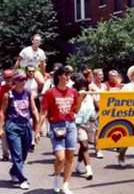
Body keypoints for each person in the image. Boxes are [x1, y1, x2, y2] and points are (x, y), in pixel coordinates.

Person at [35, 66, 81, 194]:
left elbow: (76, 109)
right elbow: (43, 112)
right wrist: (38, 130)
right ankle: (56, 178)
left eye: (69, 75)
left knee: (70, 157)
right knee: (60, 158)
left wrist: (79, 102)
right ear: (59, 76)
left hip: (71, 125)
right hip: (57, 126)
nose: (68, 78)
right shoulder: (50, 93)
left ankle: (65, 184)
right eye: (66, 75)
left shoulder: (73, 92)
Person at [0, 71, 39, 190]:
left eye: (24, 79)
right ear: (15, 81)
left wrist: (37, 128)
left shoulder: (28, 93)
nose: (23, 81)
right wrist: (1, 128)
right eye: (20, 79)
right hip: (12, 126)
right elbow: (2, 112)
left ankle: (14, 171)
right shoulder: (9, 95)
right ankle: (22, 179)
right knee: (17, 154)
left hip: (26, 125)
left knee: (24, 152)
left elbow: (33, 109)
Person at [73, 74, 95, 180]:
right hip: (79, 124)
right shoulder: (74, 96)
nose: (83, 88)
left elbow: (99, 107)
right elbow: (75, 110)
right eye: (80, 86)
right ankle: (89, 170)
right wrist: (80, 98)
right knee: (85, 146)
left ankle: (78, 165)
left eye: (84, 86)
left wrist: (95, 116)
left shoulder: (91, 96)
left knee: (83, 146)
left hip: (89, 124)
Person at [89, 68, 107, 159]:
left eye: (102, 74)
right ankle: (98, 150)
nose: (102, 76)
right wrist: (100, 109)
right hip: (96, 110)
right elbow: (94, 100)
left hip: (104, 109)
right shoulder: (91, 86)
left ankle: (99, 146)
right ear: (95, 76)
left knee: (103, 130)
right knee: (97, 130)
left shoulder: (103, 86)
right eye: (100, 75)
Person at [0, 69, 14, 161]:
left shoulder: (17, 87)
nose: (8, 79)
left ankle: (16, 153)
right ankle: (5, 154)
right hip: (3, 113)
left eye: (10, 77)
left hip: (15, 114)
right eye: (6, 78)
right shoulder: (1, 89)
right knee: (4, 135)